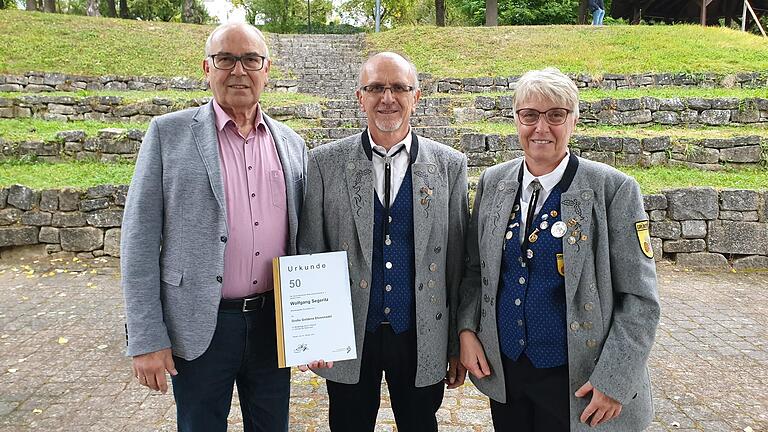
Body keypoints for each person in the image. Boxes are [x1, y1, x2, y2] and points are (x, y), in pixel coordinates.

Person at [121, 22, 307, 432]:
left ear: (266, 69)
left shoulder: (292, 144)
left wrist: (317, 327)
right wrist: (147, 337)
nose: (238, 70)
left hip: (272, 325)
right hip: (200, 324)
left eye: (250, 60)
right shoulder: (167, 135)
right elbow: (138, 242)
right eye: (226, 59)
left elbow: (303, 238)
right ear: (207, 68)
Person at [457, 68, 660, 431]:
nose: (541, 128)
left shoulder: (613, 190)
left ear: (574, 120)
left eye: (555, 115)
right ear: (516, 119)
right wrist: (467, 330)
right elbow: (477, 272)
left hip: (581, 380)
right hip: (509, 374)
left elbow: (640, 300)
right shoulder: (493, 181)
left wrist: (614, 380)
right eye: (530, 115)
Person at [297, 52, 469, 432]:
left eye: (398, 88)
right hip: (351, 333)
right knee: (347, 424)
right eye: (376, 87)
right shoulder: (324, 163)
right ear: (360, 96)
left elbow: (458, 262)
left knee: (421, 423)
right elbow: (310, 249)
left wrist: (456, 342)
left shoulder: (450, 165)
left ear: (416, 96)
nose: (387, 97)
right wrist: (312, 337)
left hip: (421, 332)